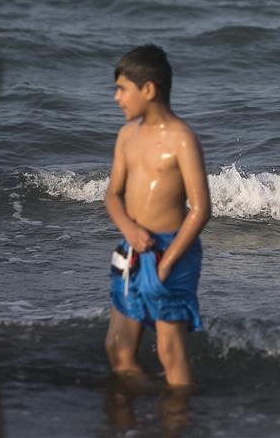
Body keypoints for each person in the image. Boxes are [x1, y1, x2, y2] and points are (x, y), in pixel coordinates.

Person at [104, 45, 210, 387]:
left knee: (169, 349)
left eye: (122, 89)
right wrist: (129, 230)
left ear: (148, 89)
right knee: (118, 349)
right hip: (130, 247)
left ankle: (178, 419)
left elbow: (201, 208)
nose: (116, 98)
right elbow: (113, 195)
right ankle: (138, 412)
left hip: (172, 250)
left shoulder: (181, 139)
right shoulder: (126, 136)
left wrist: (167, 262)